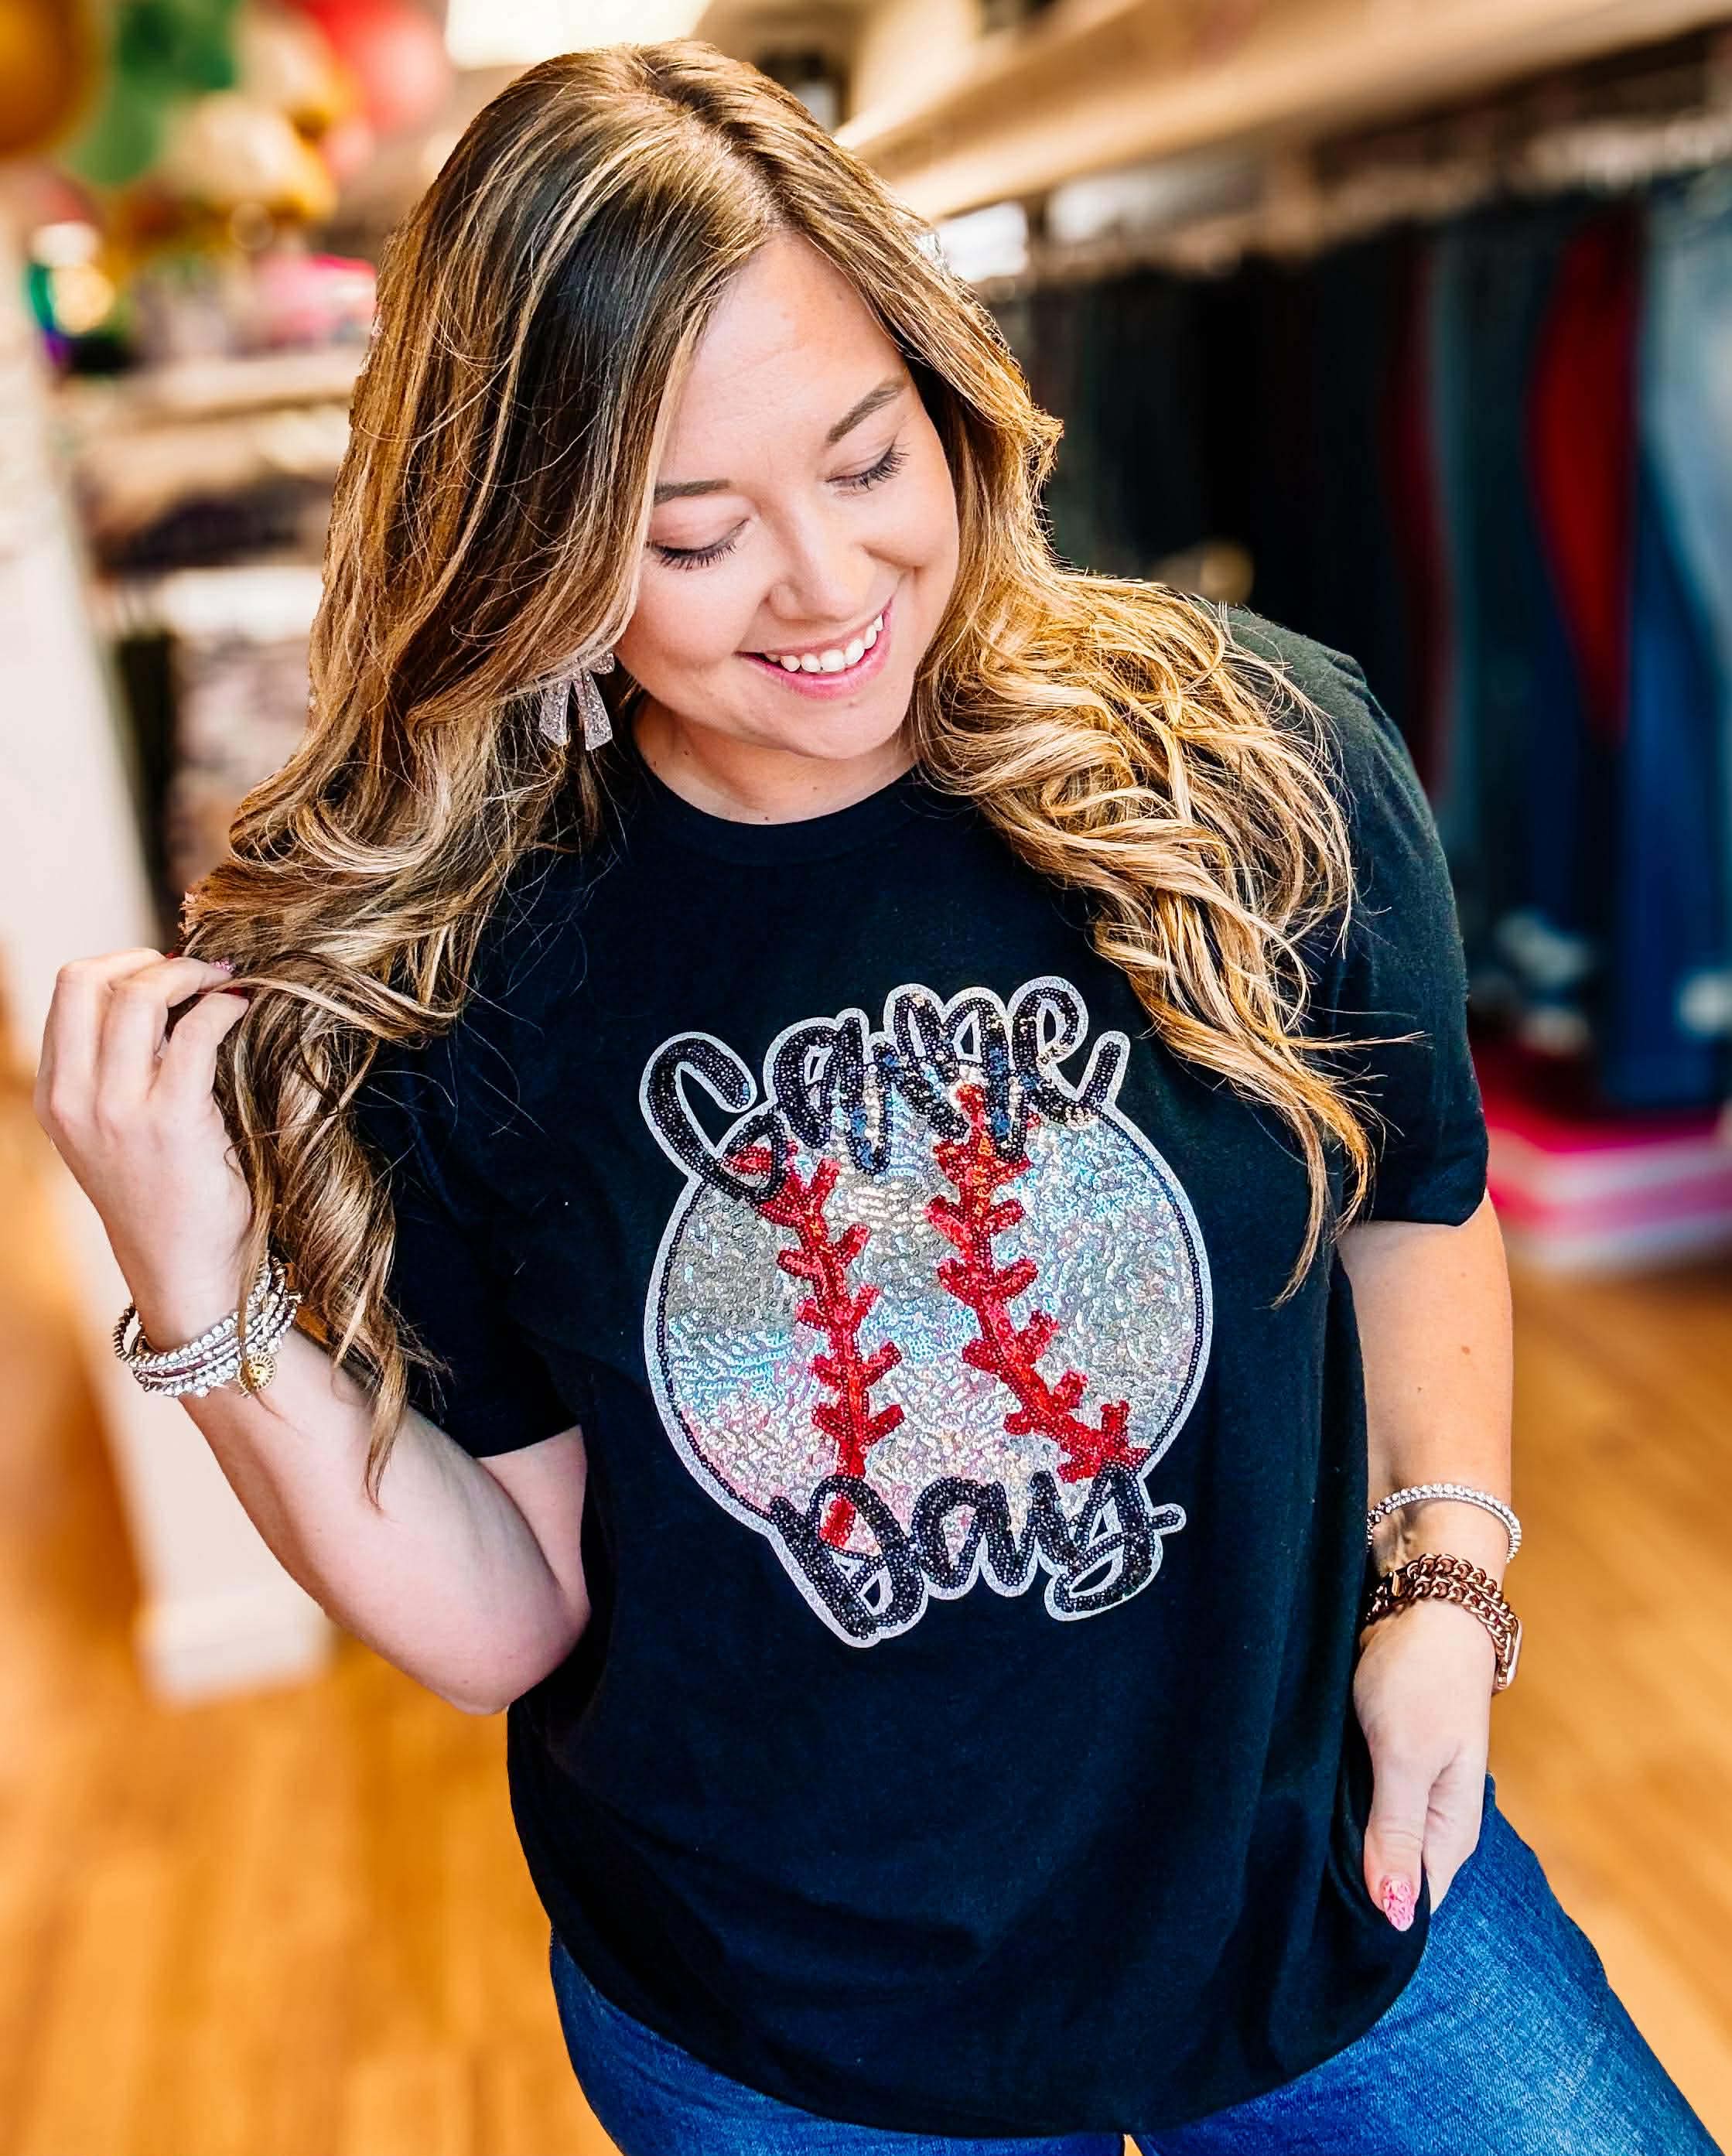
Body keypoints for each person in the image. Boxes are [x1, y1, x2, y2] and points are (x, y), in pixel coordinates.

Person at [35, 40, 1721, 2156]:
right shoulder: (478, 978)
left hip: (1325, 1896)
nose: (828, 591)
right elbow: (513, 1611)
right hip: (780, 2033)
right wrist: (204, 1296)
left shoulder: (1255, 757)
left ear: (946, 393)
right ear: (535, 554)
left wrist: (1445, 1593)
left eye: (865, 457)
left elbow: (1412, 1198)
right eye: (697, 532)